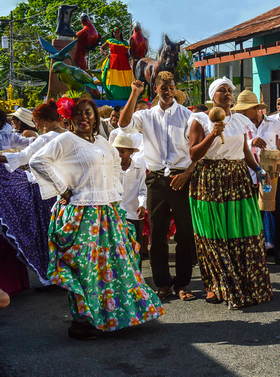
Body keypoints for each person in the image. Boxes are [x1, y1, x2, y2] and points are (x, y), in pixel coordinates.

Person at [29, 96, 164, 340]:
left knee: (112, 268)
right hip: (82, 213)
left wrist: (116, 198)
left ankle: (109, 317)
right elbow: (38, 161)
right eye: (79, 113)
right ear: (70, 117)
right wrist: (63, 189)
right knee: (86, 270)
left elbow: (114, 168)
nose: (84, 117)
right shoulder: (65, 140)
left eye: (88, 113)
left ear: (95, 117)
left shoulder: (102, 141)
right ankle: (80, 324)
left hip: (107, 212)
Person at [188, 77, 273, 309]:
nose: (227, 94)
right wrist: (213, 134)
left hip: (237, 178)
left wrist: (258, 169)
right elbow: (194, 154)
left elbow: (245, 149)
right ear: (212, 96)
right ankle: (215, 284)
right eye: (222, 90)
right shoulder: (199, 119)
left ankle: (245, 282)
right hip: (210, 179)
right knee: (214, 234)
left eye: (230, 91)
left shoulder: (238, 120)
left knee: (243, 230)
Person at [119, 72, 197, 302]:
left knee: (184, 234)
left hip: (181, 178)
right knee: (157, 234)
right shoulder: (145, 115)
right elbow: (124, 123)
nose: (168, 90)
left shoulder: (187, 116)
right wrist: (134, 92)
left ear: (175, 89)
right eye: (163, 87)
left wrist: (187, 173)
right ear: (155, 88)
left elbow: (196, 150)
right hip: (155, 179)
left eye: (171, 86)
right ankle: (163, 284)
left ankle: (183, 283)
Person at [0, 99, 67, 288]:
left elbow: (22, 156)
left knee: (51, 235)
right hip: (66, 191)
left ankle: (57, 276)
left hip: (48, 193)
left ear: (44, 121)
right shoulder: (68, 135)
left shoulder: (47, 138)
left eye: (36, 121)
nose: (35, 125)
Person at [233, 89, 280, 265]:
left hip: (272, 175)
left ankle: (279, 246)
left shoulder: (274, 124)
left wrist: (279, 148)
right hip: (250, 175)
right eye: (240, 110)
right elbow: (236, 147)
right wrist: (251, 143)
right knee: (254, 214)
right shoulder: (240, 125)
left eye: (245, 109)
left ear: (256, 108)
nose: (241, 113)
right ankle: (256, 250)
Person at [113, 134, 147, 267]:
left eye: (123, 151)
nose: (119, 155)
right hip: (115, 215)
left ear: (131, 152)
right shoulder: (111, 169)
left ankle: (136, 280)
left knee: (134, 249)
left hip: (133, 214)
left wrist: (142, 205)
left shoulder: (139, 169)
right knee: (117, 250)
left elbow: (142, 190)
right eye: (117, 151)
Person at [99, 25, 134, 101]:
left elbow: (127, 54)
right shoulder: (110, 40)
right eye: (115, 32)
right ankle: (114, 95)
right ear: (113, 33)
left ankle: (127, 96)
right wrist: (106, 54)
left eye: (118, 32)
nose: (117, 33)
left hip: (124, 63)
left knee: (125, 79)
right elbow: (101, 48)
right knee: (113, 78)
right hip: (113, 62)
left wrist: (131, 59)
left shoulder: (125, 43)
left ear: (120, 33)